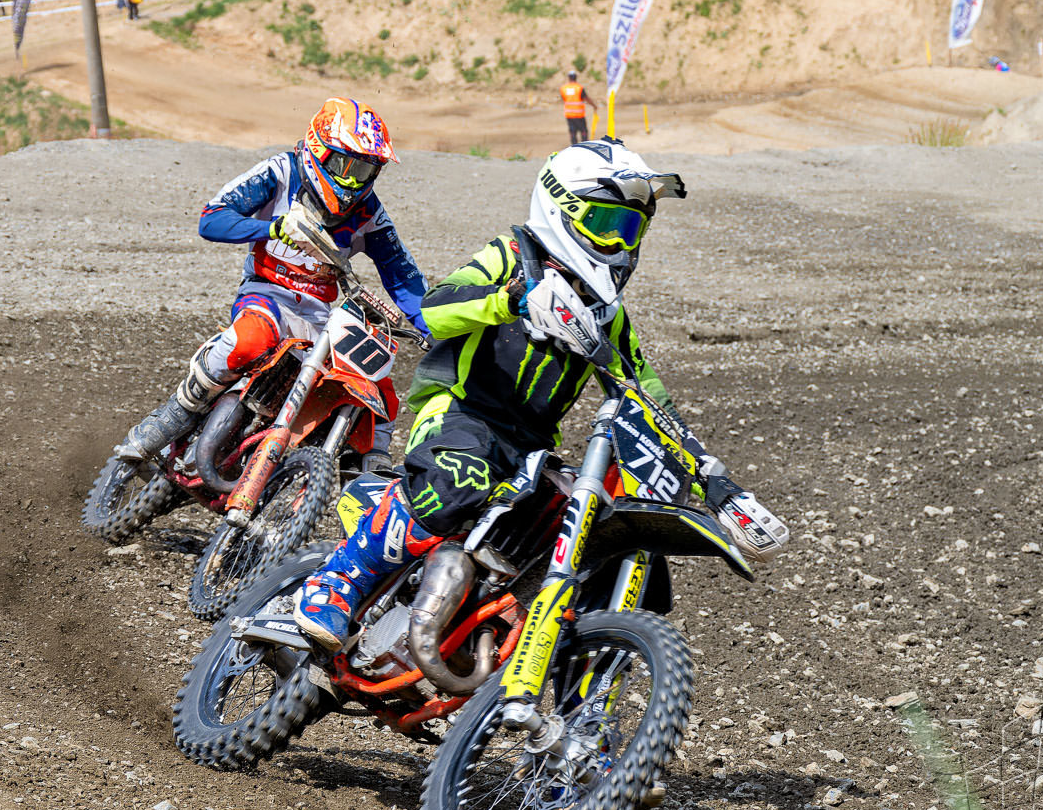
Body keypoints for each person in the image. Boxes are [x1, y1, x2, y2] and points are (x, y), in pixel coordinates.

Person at [294, 141, 741, 651]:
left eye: (629, 229)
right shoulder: (511, 256)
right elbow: (435, 310)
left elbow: (646, 395)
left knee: (579, 526)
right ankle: (335, 583)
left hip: (530, 448)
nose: (619, 243)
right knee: (459, 479)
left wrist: (713, 482)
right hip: (460, 410)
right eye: (605, 224)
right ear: (562, 208)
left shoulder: (609, 316)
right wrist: (511, 300)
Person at [113, 97, 430, 474]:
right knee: (248, 341)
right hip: (266, 293)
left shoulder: (369, 212)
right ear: (319, 150)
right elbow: (211, 219)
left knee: (376, 387)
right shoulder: (281, 172)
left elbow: (404, 276)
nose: (353, 180)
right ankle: (173, 414)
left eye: (366, 170)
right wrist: (272, 228)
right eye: (346, 165)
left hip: (319, 317)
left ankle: (366, 479)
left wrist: (435, 328)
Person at [559, 71, 597, 144]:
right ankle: (584, 145)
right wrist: (594, 106)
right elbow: (586, 98)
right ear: (576, 77)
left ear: (569, 77)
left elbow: (563, 98)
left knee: (572, 132)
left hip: (569, 114)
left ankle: (574, 146)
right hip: (579, 114)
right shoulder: (579, 88)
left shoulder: (563, 88)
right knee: (583, 131)